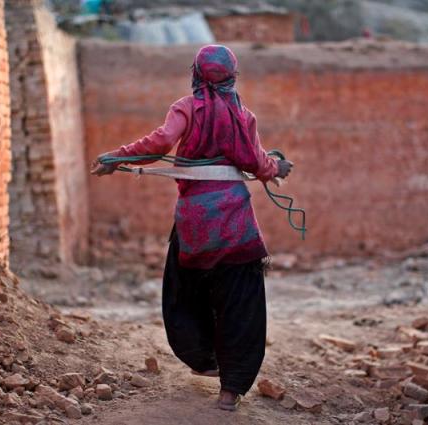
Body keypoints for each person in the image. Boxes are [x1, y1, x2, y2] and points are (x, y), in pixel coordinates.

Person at [90, 45, 293, 411]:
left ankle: (205, 361)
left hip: (194, 223)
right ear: (233, 75)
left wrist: (116, 157)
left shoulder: (185, 108)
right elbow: (253, 160)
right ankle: (230, 391)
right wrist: (275, 168)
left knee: (185, 293)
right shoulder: (243, 115)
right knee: (240, 303)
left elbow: (160, 142)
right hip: (236, 225)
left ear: (196, 73)